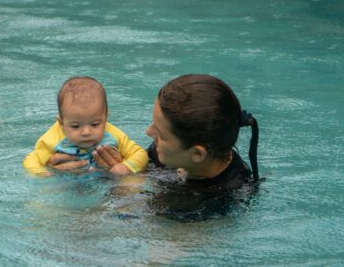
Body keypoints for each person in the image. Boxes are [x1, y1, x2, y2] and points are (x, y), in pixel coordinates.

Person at [93, 74, 260, 220]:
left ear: (197, 154)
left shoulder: (221, 202)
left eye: (160, 132)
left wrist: (126, 188)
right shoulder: (170, 149)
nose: (148, 132)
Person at [23, 76, 149, 177]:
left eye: (95, 124)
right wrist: (42, 173)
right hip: (65, 184)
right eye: (75, 126)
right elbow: (31, 160)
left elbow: (140, 153)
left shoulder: (114, 134)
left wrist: (126, 167)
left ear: (105, 118)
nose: (86, 132)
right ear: (61, 123)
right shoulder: (52, 139)